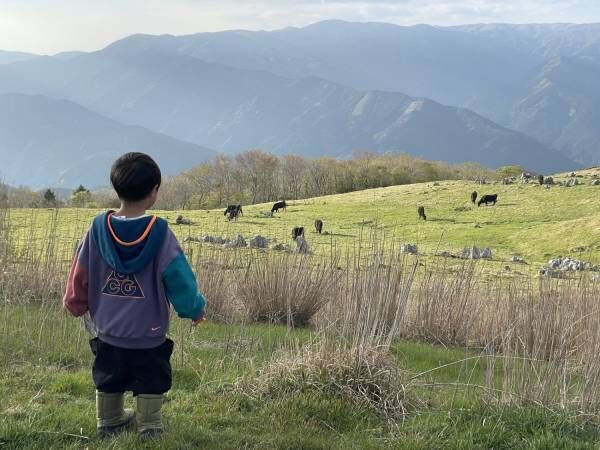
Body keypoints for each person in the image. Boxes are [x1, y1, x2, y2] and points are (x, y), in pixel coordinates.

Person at [63, 152, 206, 438]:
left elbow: (79, 272)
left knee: (108, 377)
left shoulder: (96, 230)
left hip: (107, 329)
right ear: (153, 193)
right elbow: (180, 280)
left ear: (116, 188)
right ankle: (150, 427)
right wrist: (194, 309)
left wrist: (75, 303)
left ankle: (110, 421)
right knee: (152, 377)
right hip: (149, 332)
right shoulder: (161, 234)